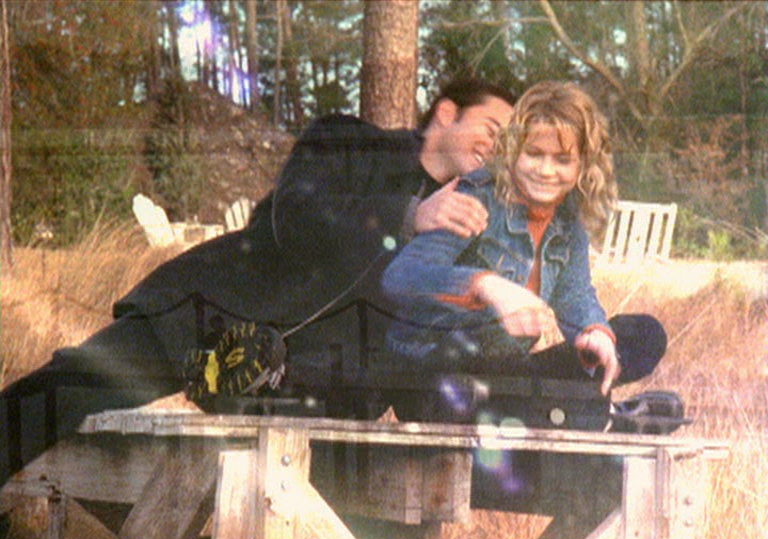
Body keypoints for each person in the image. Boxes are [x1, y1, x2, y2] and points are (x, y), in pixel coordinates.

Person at [1, 77, 517, 480]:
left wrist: (505, 333)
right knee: (69, 389)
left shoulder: (461, 237)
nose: (497, 148)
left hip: (290, 395)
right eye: (491, 129)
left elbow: (419, 364)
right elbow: (295, 217)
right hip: (204, 318)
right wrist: (405, 217)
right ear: (445, 113)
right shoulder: (347, 140)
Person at [381, 81, 674, 429]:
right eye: (534, 154)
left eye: (562, 160)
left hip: (501, 375)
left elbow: (575, 293)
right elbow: (401, 277)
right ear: (513, 151)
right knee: (501, 350)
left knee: (644, 335)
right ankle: (598, 417)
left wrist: (594, 333)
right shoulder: (477, 194)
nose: (546, 171)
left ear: (583, 165)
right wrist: (486, 286)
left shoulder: (568, 218)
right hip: (432, 372)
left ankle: (563, 408)